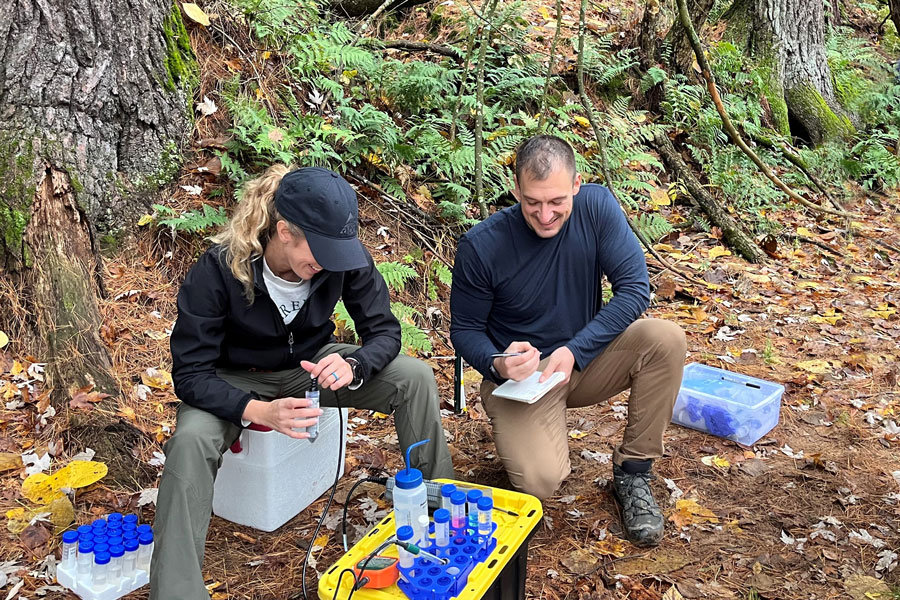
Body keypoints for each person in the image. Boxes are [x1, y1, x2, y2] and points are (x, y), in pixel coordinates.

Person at [150, 165, 455, 599]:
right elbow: (190, 374)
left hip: (311, 367)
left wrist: (358, 366)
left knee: (415, 377)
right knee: (191, 440)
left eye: (338, 251)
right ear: (284, 231)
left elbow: (385, 331)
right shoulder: (218, 270)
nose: (328, 263)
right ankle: (177, 592)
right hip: (235, 379)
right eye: (321, 251)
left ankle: (441, 515)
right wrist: (258, 412)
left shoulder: (341, 259)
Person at [450, 135, 686, 547]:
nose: (545, 215)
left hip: (586, 357)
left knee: (664, 339)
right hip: (521, 379)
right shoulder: (481, 246)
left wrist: (576, 350)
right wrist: (499, 363)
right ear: (516, 188)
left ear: (577, 184)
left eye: (557, 201)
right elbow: (464, 329)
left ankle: (633, 473)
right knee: (541, 482)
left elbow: (634, 289)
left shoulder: (596, 208)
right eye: (533, 203)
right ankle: (535, 438)